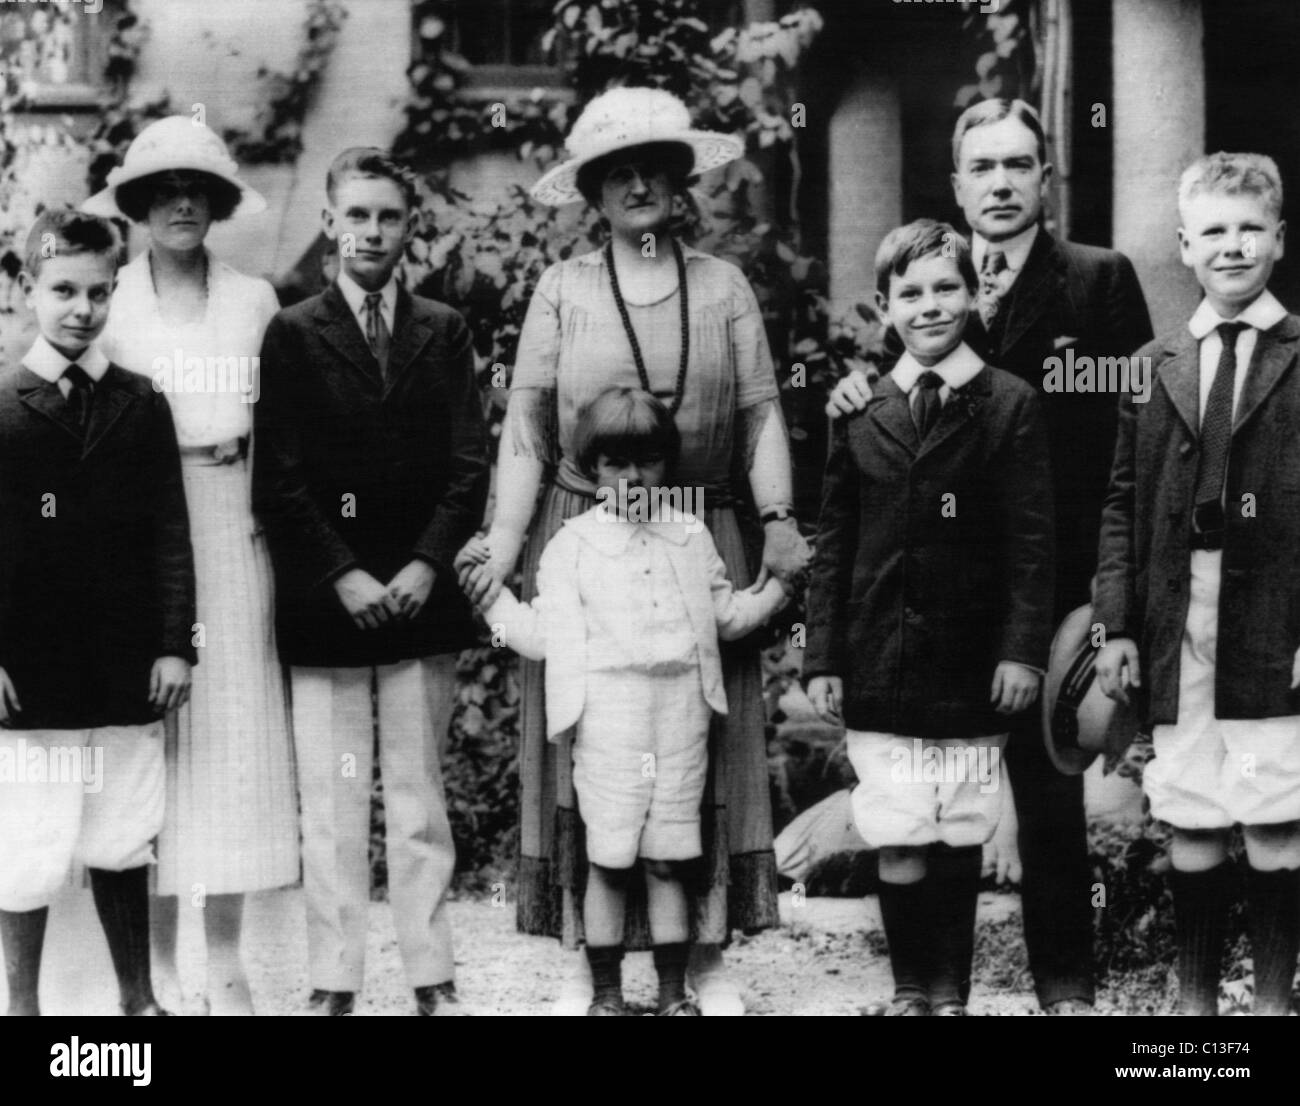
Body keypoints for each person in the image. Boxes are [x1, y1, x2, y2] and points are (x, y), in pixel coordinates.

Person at [455, 86, 810, 1014]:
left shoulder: (725, 285)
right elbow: (528, 430)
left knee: (708, 747)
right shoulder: (562, 289)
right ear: (594, 192)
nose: (640, 183)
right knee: (593, 752)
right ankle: (592, 961)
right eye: (620, 171)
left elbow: (762, 410)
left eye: (658, 165)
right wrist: (499, 546)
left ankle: (702, 961)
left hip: (706, 537)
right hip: (585, 541)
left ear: (683, 181)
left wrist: (775, 516)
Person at [822, 99, 1153, 1014]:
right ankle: (939, 992)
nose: (1002, 183)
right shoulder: (935, 281)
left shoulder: (1099, 281)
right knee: (945, 797)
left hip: (1058, 580)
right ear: (958, 183)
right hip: (944, 592)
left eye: (1020, 165)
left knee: (1049, 806)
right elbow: (898, 391)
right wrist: (854, 388)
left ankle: (1066, 991)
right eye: (984, 168)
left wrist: (1111, 591)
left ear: (1046, 177)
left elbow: (1135, 436)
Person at [253, 147, 488, 1016]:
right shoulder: (291, 331)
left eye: (389, 216)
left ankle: (432, 974)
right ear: (329, 222)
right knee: (335, 798)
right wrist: (345, 574)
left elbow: (469, 464)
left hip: (421, 604)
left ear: (408, 226)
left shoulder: (443, 329)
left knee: (421, 798)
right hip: (329, 604)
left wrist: (428, 562)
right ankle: (334, 978)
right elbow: (277, 479)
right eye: (357, 215)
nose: (373, 232)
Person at [464, 387, 789, 1015]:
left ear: (667, 464)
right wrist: (485, 594)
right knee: (609, 860)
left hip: (679, 717)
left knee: (669, 859)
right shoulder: (572, 544)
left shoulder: (690, 535)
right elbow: (536, 635)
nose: (631, 477)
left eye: (646, 462)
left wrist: (781, 587)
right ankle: (607, 996)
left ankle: (672, 995)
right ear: (592, 469)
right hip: (608, 717)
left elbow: (727, 617)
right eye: (614, 464)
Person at [804, 219, 1054, 1016]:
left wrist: (1021, 651)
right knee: (899, 824)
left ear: (976, 294)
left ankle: (951, 995)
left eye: (947, 287)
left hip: (972, 661)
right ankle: (910, 990)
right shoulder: (860, 409)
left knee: (958, 826)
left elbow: (1031, 542)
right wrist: (823, 657)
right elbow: (834, 543)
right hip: (880, 658)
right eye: (910, 293)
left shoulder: (1009, 403)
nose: (930, 305)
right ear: (885, 307)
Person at [83, 114, 298, 1016]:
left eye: (195, 189)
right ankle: (158, 967)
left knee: (237, 738)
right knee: (154, 746)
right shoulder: (112, 301)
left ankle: (226, 956)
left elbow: (286, 438)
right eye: (161, 189)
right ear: (134, 205)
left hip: (235, 524)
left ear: (213, 204)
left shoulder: (253, 301)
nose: (179, 203)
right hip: (142, 538)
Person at [1095, 153, 1300, 1016]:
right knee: (1192, 804)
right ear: (1183, 245)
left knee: (1274, 805)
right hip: (1181, 617)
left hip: (1274, 620)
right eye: (1212, 230)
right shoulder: (1155, 362)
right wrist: (1119, 624)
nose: (1232, 246)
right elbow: (1119, 503)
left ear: (1280, 240)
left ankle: (1275, 1000)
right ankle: (1195, 1000)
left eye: (1250, 228)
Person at [0, 209, 196, 1016]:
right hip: (33, 669)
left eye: (99, 292)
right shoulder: (4, 406)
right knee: (31, 842)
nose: (81, 308)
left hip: (124, 664)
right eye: (62, 290)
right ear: (26, 289)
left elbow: (170, 533)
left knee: (123, 829)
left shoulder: (141, 404)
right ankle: (22, 1006)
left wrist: (175, 645)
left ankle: (138, 1000)